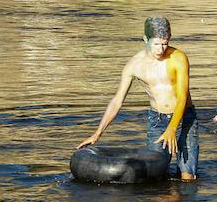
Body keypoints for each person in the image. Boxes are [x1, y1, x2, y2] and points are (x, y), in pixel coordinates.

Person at [77, 17, 198, 181]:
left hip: (184, 118)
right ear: (145, 39)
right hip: (157, 119)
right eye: (156, 44)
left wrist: (172, 128)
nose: (161, 49)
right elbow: (117, 101)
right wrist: (98, 133)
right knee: (156, 174)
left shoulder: (178, 58)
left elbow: (182, 97)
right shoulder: (134, 65)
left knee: (187, 176)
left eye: (165, 43)